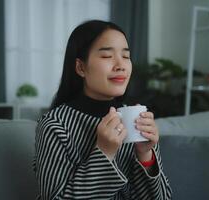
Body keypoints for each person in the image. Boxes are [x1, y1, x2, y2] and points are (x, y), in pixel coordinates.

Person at [34, 20, 172, 200]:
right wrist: (104, 152)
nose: (120, 65)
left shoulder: (132, 119)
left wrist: (145, 155)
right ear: (81, 67)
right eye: (107, 56)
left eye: (126, 56)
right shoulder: (54, 125)